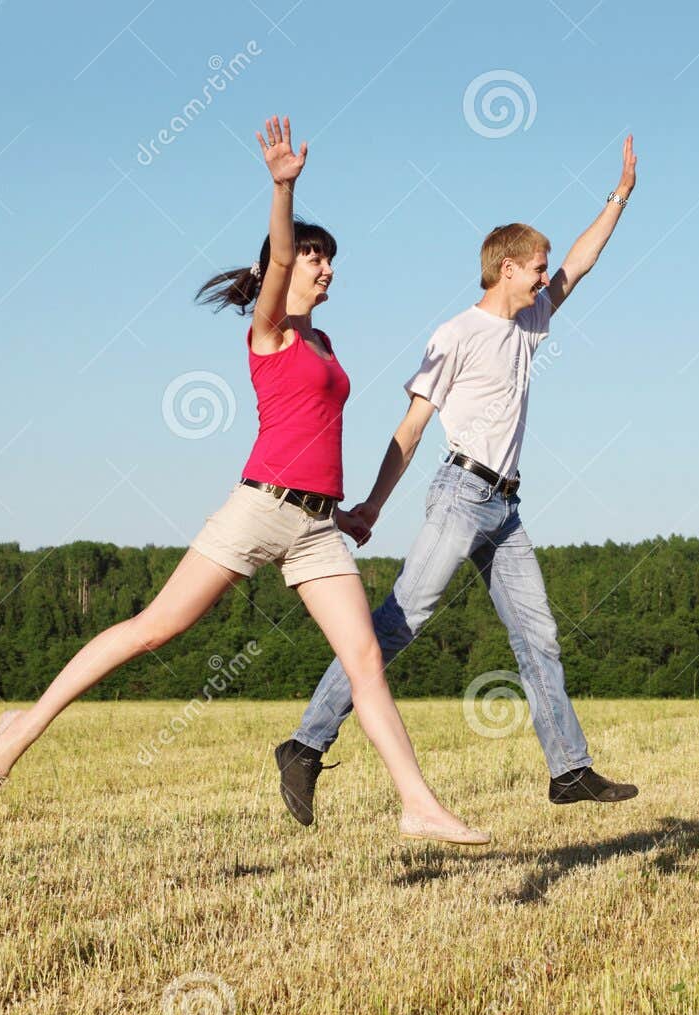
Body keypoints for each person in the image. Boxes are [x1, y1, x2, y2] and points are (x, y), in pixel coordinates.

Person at [0, 117, 488, 846]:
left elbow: (317, 433)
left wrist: (343, 513)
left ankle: (417, 802)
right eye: (316, 256)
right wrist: (283, 190)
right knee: (157, 629)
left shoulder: (324, 342)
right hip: (257, 509)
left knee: (366, 657)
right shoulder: (271, 329)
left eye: (329, 259)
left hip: (315, 525)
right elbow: (278, 257)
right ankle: (20, 727)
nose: (324, 266)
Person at [273, 136, 642, 827]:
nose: (543, 279)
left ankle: (568, 768)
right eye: (533, 268)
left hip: (505, 506)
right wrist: (373, 506)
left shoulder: (530, 322)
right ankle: (304, 741)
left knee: (540, 636)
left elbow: (579, 267)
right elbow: (411, 426)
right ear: (505, 268)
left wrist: (619, 195)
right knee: (400, 622)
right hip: (459, 492)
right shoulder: (456, 334)